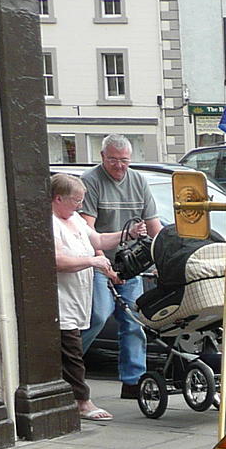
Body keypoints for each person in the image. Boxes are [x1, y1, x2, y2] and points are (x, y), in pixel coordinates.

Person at [79, 135, 161, 399]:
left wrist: (162, 259)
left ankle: (133, 380)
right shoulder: (90, 181)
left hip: (129, 262)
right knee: (98, 316)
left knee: (134, 320)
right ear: (103, 157)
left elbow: (153, 225)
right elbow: (87, 230)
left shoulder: (138, 181)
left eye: (124, 160)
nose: (119, 166)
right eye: (113, 160)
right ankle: (66, 367)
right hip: (97, 258)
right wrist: (104, 264)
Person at [51, 173, 129, 422]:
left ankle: (73, 395)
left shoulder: (73, 218)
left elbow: (98, 239)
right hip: (62, 300)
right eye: (76, 200)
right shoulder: (51, 222)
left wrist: (127, 234)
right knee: (72, 349)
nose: (80, 206)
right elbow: (58, 261)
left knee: (72, 348)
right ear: (58, 198)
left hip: (79, 296)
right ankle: (82, 400)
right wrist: (92, 261)